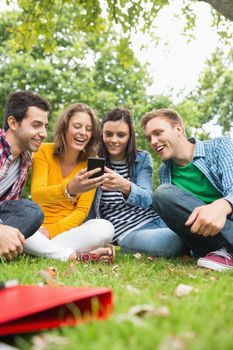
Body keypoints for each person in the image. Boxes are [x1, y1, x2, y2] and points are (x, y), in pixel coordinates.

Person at [141, 108, 233, 271]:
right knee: (162, 194)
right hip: (206, 238)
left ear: (178, 129)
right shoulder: (164, 171)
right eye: (149, 138)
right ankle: (222, 251)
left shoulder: (220, 146)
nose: (153, 141)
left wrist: (224, 204)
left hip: (229, 221)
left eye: (158, 133)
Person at [23, 103, 114, 262]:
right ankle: (74, 254)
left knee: (105, 227)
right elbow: (38, 195)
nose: (83, 133)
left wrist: (50, 232)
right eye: (77, 126)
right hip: (37, 227)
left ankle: (43, 249)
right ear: (65, 128)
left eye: (88, 128)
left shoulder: (91, 165)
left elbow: (81, 211)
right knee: (21, 231)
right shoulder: (43, 151)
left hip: (66, 232)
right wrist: (69, 188)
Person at [88, 107, 184, 256]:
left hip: (158, 220)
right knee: (174, 239)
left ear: (129, 137)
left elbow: (147, 199)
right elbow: (85, 208)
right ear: (102, 135)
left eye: (121, 135)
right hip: (130, 232)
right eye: (108, 134)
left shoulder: (142, 159)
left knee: (189, 228)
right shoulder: (94, 161)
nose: (114, 140)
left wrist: (124, 185)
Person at [0, 90, 50, 260]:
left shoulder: (24, 160)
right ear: (13, 123)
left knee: (30, 212)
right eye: (36, 125)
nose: (43, 133)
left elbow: (10, 210)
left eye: (45, 126)